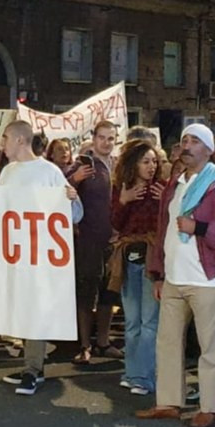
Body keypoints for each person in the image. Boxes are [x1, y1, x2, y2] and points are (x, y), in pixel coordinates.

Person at [136, 124, 215, 427]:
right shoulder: (175, 184)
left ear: (209, 149)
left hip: (209, 279)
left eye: (195, 141)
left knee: (211, 348)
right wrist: (157, 274)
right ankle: (169, 402)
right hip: (174, 277)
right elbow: (162, 232)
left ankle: (210, 407)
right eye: (184, 139)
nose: (186, 145)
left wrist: (199, 228)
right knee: (168, 343)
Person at [0, 121, 84, 395]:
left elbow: (76, 215)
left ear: (20, 140)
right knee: (22, 309)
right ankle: (32, 366)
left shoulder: (49, 171)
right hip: (15, 254)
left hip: (41, 256)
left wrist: (72, 198)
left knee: (35, 310)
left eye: (5, 137)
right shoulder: (7, 173)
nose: (2, 143)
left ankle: (32, 369)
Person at [109, 139, 165, 396]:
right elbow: (117, 223)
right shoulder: (122, 188)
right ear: (134, 164)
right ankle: (131, 373)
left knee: (149, 322)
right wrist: (123, 200)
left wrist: (165, 201)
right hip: (128, 259)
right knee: (131, 322)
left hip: (153, 262)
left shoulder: (162, 190)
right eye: (146, 161)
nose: (151, 166)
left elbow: (166, 226)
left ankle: (145, 377)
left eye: (154, 161)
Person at [67, 121, 123, 364]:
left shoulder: (118, 166)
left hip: (113, 240)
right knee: (86, 292)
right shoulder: (84, 164)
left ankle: (103, 341)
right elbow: (60, 190)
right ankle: (84, 344)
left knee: (109, 293)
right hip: (88, 239)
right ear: (93, 137)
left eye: (111, 138)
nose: (106, 142)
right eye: (102, 137)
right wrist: (74, 179)